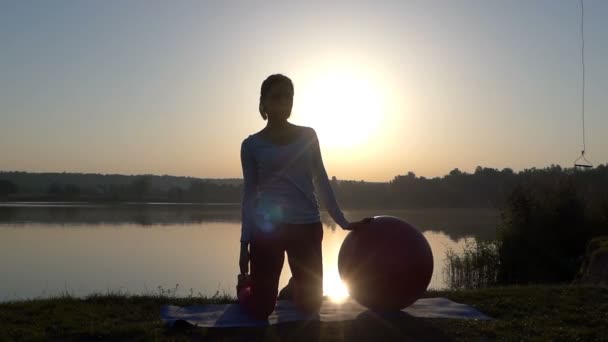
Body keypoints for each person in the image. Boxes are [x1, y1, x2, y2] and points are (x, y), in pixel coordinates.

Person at [238, 74, 371, 319]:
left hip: (306, 227)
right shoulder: (251, 145)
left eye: (288, 97)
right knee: (260, 311)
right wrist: (244, 244)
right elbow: (249, 195)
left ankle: (294, 287)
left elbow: (321, 179)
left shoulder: (308, 135)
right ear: (263, 103)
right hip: (267, 231)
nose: (283, 102)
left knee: (310, 308)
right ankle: (246, 289)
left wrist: (342, 222)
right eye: (276, 96)